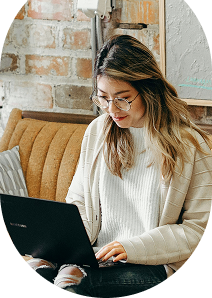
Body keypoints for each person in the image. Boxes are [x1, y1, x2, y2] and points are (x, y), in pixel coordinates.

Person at [27, 35, 212, 297]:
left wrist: (132, 248)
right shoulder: (97, 132)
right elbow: (78, 202)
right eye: (103, 98)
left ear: (148, 89)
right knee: (34, 267)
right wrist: (59, 243)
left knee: (72, 280)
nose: (112, 109)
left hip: (157, 265)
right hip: (98, 255)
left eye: (123, 98)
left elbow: (199, 233)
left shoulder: (191, 145)